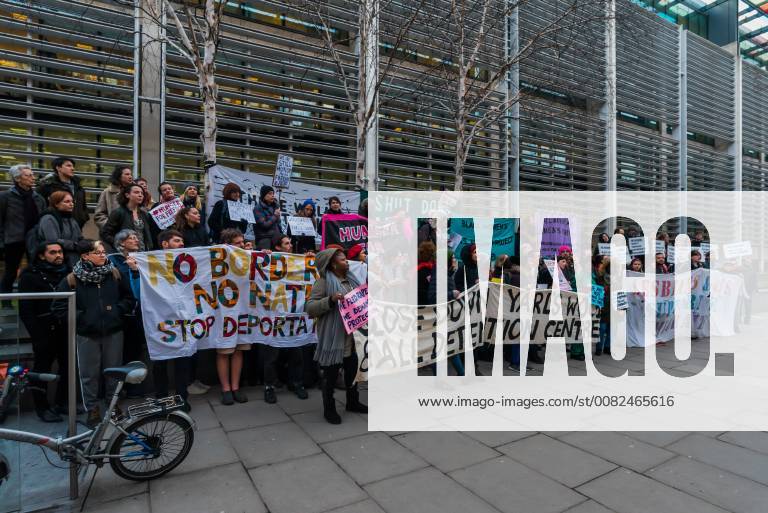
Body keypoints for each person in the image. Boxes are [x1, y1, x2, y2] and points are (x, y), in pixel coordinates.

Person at [52, 239, 136, 428]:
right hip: (86, 335)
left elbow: (129, 298)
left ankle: (113, 407)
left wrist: (117, 311)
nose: (102, 255)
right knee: (88, 375)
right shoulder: (72, 279)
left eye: (103, 251)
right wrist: (83, 318)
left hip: (113, 332)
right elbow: (58, 307)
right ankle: (92, 410)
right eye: (97, 252)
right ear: (85, 256)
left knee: (114, 373)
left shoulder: (114, 273)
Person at [305, 248, 366, 424]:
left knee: (352, 374)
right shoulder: (323, 283)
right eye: (343, 259)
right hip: (334, 338)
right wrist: (330, 300)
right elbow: (310, 308)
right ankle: (329, 409)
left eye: (346, 259)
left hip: (353, 338)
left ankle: (352, 403)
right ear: (332, 263)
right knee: (330, 377)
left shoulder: (351, 281)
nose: (347, 262)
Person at [18, 242, 70, 422]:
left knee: (67, 367)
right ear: (41, 255)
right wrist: (37, 335)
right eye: (53, 252)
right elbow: (26, 310)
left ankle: (62, 403)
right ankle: (42, 407)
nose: (59, 255)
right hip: (43, 330)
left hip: (65, 328)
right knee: (41, 370)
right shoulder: (30, 276)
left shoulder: (67, 272)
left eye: (60, 252)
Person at [258, 232, 307, 404]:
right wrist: (263, 258)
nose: (290, 246)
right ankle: (269, 387)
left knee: (297, 353)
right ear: (277, 247)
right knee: (271, 356)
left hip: (294, 316)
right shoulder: (270, 262)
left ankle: (297, 383)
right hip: (274, 316)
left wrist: (309, 259)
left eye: (290, 243)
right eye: (286, 244)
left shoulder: (298, 261)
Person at [151, 229, 196, 410]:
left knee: (182, 362)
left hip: (183, 319)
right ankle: (161, 398)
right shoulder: (151, 263)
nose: (181, 244)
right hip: (160, 320)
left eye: (182, 241)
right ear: (165, 244)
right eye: (177, 241)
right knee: (160, 363)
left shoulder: (189, 262)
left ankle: (181, 398)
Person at [0, 164, 46, 297]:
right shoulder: (5, 197)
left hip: (34, 239)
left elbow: (42, 219)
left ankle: (31, 299)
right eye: (28, 175)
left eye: (32, 174)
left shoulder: (38, 197)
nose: (33, 177)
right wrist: (1, 242)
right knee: (11, 272)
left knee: (35, 270)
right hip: (13, 240)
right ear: (17, 178)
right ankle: (6, 301)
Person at [108, 230, 144, 397]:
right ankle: (116, 390)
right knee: (119, 351)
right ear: (121, 243)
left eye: (137, 237)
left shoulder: (143, 258)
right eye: (131, 238)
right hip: (123, 312)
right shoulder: (113, 260)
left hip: (138, 312)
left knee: (135, 350)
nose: (136, 240)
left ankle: (133, 387)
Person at [37, 157, 89, 228]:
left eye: (73, 166)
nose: (72, 168)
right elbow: (40, 207)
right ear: (58, 168)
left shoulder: (78, 187)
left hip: (76, 227)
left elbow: (83, 206)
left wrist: (83, 217)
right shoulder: (48, 186)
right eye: (68, 166)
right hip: (55, 227)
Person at [101, 183, 154, 252]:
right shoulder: (118, 212)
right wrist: (120, 243)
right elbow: (105, 233)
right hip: (125, 254)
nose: (140, 195)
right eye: (136, 192)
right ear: (127, 195)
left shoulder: (144, 214)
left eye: (142, 193)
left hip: (143, 254)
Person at [37, 191, 84, 268]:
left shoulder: (71, 219)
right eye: (67, 201)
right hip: (57, 261)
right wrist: (75, 245)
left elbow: (79, 237)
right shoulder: (48, 219)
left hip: (73, 259)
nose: (71, 204)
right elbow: (53, 242)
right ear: (56, 204)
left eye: (72, 201)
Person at [94, 164, 133, 229]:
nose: (130, 176)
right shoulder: (107, 192)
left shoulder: (136, 192)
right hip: (112, 234)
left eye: (131, 174)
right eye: (127, 174)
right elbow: (99, 215)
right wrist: (110, 227)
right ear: (119, 176)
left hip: (132, 233)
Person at [253, 185, 281, 250]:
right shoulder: (258, 208)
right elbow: (264, 225)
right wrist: (275, 216)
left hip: (276, 240)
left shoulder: (275, 207)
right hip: (264, 241)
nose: (272, 195)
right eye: (270, 193)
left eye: (273, 193)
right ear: (264, 195)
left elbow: (278, 224)